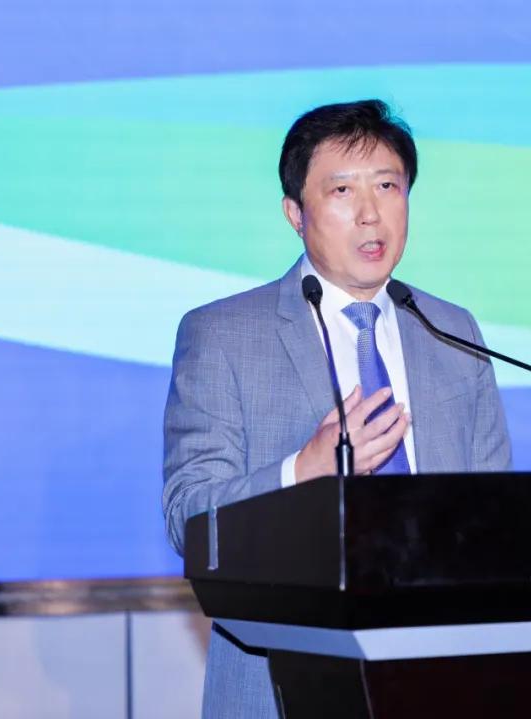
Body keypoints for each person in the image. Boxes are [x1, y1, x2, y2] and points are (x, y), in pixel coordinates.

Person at [162, 99, 512, 718]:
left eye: (388, 186)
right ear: (295, 214)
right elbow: (189, 517)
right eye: (343, 190)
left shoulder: (452, 332)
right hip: (284, 685)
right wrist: (305, 470)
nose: (371, 212)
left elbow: (496, 513)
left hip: (444, 680)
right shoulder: (223, 335)